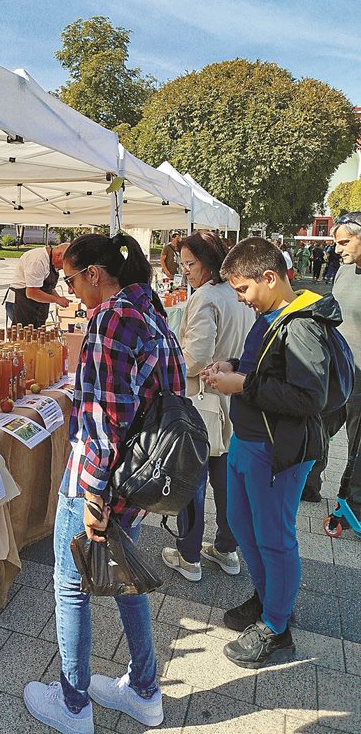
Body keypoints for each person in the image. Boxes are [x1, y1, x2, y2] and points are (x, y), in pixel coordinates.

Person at [24, 232, 186, 733]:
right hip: (138, 478)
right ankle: (143, 688)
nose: (70, 291)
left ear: (95, 274)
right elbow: (172, 398)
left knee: (70, 584)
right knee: (125, 577)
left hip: (100, 479)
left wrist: (94, 493)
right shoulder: (152, 312)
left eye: (71, 280)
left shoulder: (112, 319)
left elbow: (103, 418)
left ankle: (73, 704)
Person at [203, 237, 338, 668]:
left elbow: (309, 397)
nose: (241, 299)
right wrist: (231, 365)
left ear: (269, 277)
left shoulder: (301, 324)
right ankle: (267, 602)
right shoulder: (270, 314)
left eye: (243, 289)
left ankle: (277, 628)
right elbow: (260, 364)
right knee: (244, 529)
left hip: (277, 452)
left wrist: (243, 385)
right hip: (248, 441)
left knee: (275, 540)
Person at [161, 231, 254, 582]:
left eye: (190, 263)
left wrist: (168, 369)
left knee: (191, 481)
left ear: (209, 262)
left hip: (203, 400)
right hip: (235, 397)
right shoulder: (239, 292)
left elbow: (196, 357)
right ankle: (227, 549)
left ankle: (189, 556)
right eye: (182, 263)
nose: (185, 270)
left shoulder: (205, 297)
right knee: (227, 481)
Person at [327, 212, 360, 517]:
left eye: (344, 242)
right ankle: (308, 487)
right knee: (318, 427)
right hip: (336, 369)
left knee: (356, 446)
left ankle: (351, 505)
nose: (337, 249)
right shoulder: (343, 271)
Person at [6, 243, 70, 327]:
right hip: (21, 303)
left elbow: (48, 288)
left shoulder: (52, 262)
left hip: (35, 305)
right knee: (25, 336)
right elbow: (31, 292)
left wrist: (59, 298)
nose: (63, 268)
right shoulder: (37, 261)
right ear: (58, 256)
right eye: (64, 264)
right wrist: (56, 300)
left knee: (37, 335)